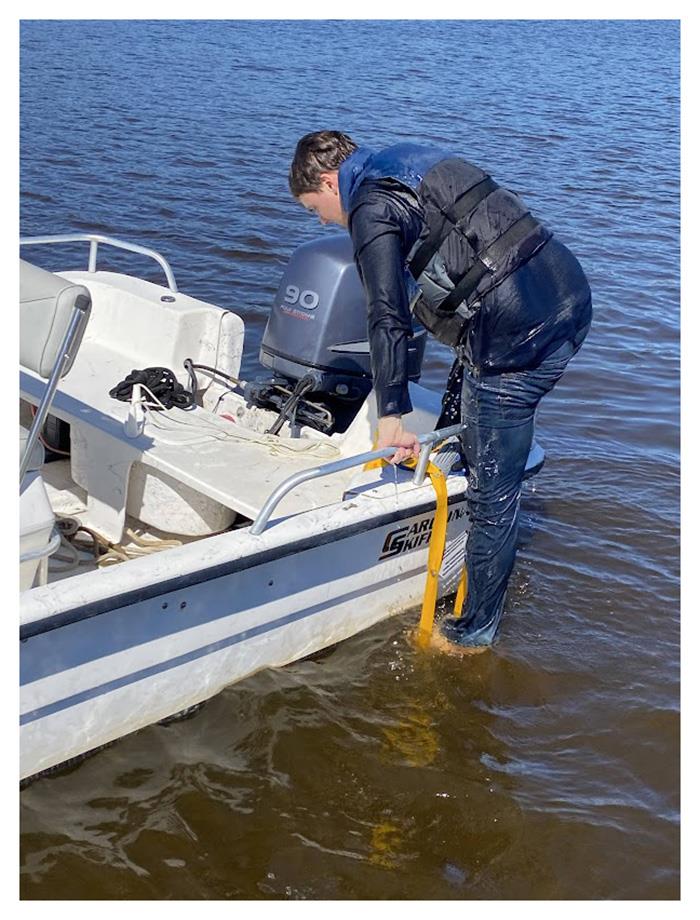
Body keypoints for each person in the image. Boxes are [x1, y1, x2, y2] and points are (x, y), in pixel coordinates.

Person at [288, 131, 592, 651]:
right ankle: (458, 463)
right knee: (468, 407)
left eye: (315, 208)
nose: (321, 221)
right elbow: (446, 269)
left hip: (519, 338)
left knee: (493, 493)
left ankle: (471, 635)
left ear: (327, 182)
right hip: (567, 294)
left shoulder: (369, 205)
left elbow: (385, 315)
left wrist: (392, 415)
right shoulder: (406, 158)